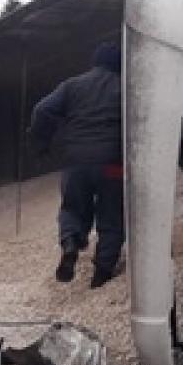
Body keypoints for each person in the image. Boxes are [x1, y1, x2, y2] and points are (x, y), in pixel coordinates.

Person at [30, 41, 124, 287]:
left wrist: (42, 143)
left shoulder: (72, 86)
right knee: (112, 215)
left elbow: (42, 110)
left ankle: (71, 243)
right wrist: (178, 154)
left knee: (72, 207)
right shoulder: (127, 88)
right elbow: (156, 116)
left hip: (76, 162)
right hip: (113, 164)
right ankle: (102, 273)